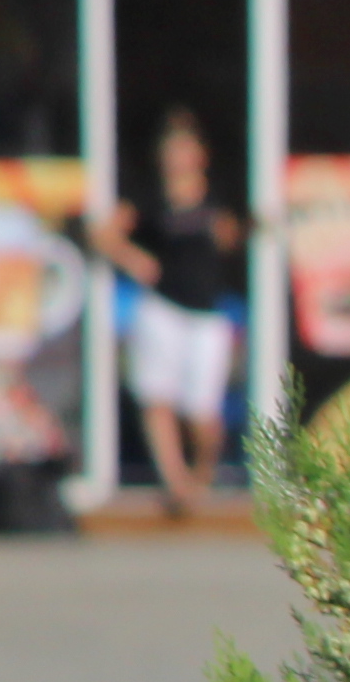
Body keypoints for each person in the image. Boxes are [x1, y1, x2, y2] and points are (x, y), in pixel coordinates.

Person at [82, 112, 245, 520]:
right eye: (171, 150)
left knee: (203, 413)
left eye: (184, 149)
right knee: (158, 398)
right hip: (162, 309)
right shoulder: (150, 198)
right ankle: (176, 484)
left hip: (206, 312)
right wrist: (133, 259)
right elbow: (102, 232)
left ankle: (201, 475)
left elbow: (235, 238)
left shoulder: (217, 198)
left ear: (200, 155)